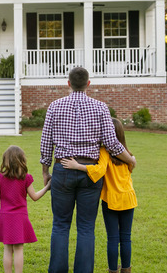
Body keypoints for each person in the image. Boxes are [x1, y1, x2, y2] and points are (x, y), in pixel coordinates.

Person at [40, 66, 137, 273]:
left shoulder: (54, 107)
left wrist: (45, 171)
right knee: (86, 227)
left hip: (63, 169)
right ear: (88, 84)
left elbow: (46, 142)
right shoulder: (101, 108)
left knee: (60, 225)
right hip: (90, 173)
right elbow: (112, 143)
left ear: (68, 83)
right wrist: (130, 160)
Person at [63, 119, 137, 273]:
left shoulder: (104, 151)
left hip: (111, 200)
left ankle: (112, 271)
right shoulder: (127, 153)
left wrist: (78, 166)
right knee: (126, 238)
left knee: (113, 238)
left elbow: (99, 170)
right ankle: (126, 270)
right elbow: (131, 167)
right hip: (129, 198)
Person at [0, 145, 51, 273]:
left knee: (7, 249)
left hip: (5, 217)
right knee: (19, 249)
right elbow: (35, 197)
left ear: (6, 160)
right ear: (22, 160)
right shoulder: (25, 177)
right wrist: (47, 186)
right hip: (20, 218)